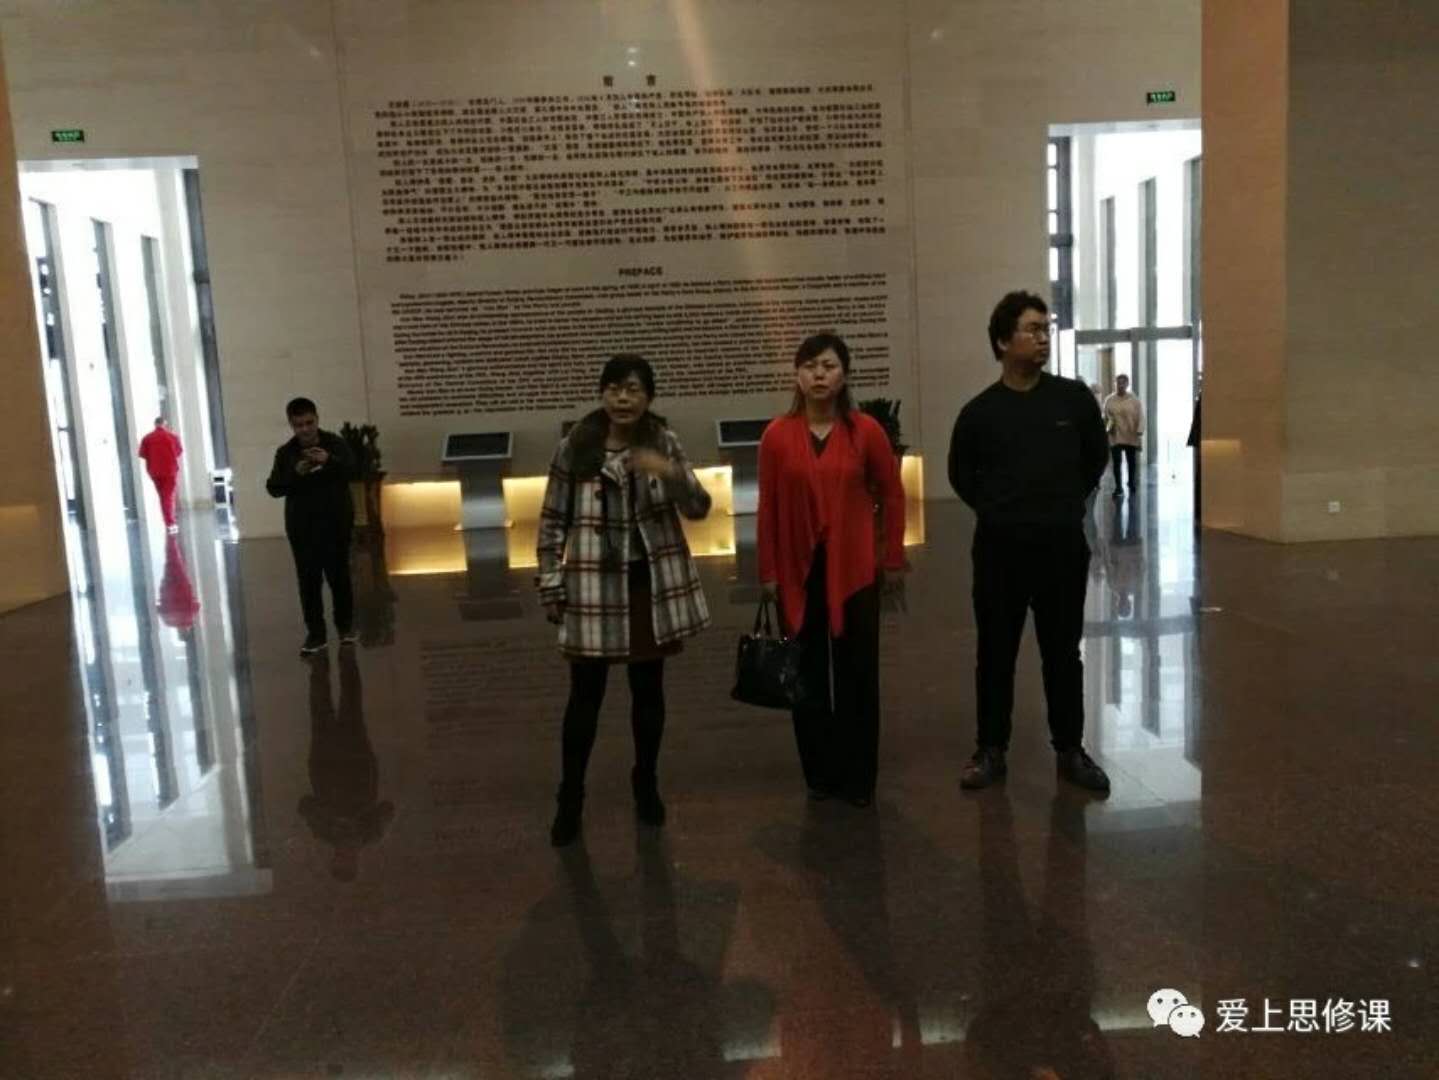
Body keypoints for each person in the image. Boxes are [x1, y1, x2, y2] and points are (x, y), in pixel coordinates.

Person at [536, 355, 712, 847]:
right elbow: (552, 519)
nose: (623, 398)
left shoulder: (663, 442)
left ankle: (646, 781)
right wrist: (551, 583)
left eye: (633, 389)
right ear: (602, 394)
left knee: (648, 690)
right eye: (614, 388)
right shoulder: (576, 446)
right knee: (585, 696)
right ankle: (570, 796)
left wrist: (667, 471)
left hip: (648, 584)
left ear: (648, 397)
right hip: (594, 584)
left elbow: (698, 507)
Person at [948, 291, 1111, 794]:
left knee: (1062, 653)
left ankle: (1070, 750)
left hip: (1061, 549)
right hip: (999, 553)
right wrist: (1001, 511)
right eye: (1031, 329)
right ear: (1002, 341)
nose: (1042, 338)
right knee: (995, 653)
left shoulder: (1073, 400)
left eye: (1045, 329)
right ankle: (990, 749)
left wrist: (1061, 504)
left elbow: (1095, 459)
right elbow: (961, 476)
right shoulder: (979, 413)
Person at [757, 332, 906, 808]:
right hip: (797, 573)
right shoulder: (777, 436)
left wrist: (893, 557)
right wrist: (767, 572)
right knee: (807, 674)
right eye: (810, 366)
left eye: (828, 365)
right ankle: (820, 774)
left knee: (857, 673)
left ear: (844, 375)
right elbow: (767, 507)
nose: (819, 374)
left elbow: (892, 493)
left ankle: (858, 778)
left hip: (855, 570)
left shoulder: (866, 431)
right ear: (796, 376)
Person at [265, 397, 356, 657]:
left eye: (309, 423)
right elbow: (273, 488)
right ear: (291, 425)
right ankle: (316, 634)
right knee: (308, 581)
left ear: (317, 419)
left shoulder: (335, 444)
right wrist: (295, 473)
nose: (305, 429)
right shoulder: (286, 453)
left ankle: (345, 627)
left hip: (336, 523)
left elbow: (353, 470)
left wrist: (329, 461)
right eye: (299, 425)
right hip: (302, 527)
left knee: (339, 576)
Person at [298, 648, 394, 882]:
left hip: (325, 763)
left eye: (340, 860)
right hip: (356, 762)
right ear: (356, 862)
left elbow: (304, 804)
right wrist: (367, 823)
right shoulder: (370, 834)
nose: (344, 857)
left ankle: (320, 663)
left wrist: (330, 816)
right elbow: (388, 808)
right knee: (351, 705)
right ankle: (347, 657)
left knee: (321, 708)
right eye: (349, 862)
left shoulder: (323, 832)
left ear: (333, 860)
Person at [137, 416, 183, 532]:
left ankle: (169, 521)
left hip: (154, 472)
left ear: (155, 424)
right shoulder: (172, 437)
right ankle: (170, 522)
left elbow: (142, 454)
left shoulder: (147, 438)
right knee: (168, 497)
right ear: (164, 424)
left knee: (163, 496)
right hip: (170, 471)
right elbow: (178, 452)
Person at [1102, 373, 1144, 496]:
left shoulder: (1134, 400)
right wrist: (1107, 427)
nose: (1120, 385)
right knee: (1116, 462)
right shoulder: (1109, 400)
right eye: (1118, 383)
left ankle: (1131, 482)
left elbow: (1141, 416)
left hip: (1130, 435)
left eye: (1123, 383)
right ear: (1115, 384)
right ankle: (1118, 487)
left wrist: (1139, 431)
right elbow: (1105, 416)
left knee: (1131, 462)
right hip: (1115, 435)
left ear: (1127, 384)